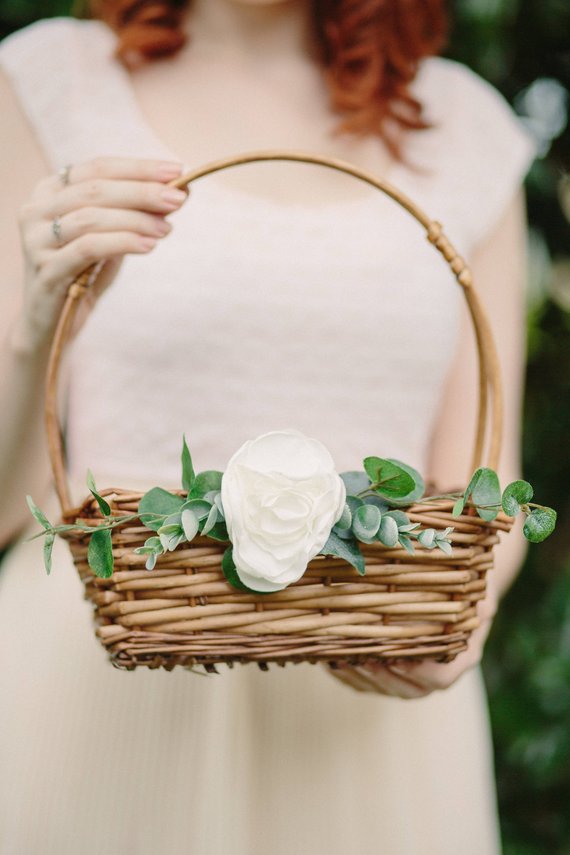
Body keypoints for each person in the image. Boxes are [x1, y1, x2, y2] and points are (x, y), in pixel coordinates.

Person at [0, 1, 536, 852]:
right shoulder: (49, 83)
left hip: (366, 728)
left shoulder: (463, 126)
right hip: (100, 698)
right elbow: (7, 504)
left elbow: (484, 480)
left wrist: (460, 624)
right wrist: (36, 321)